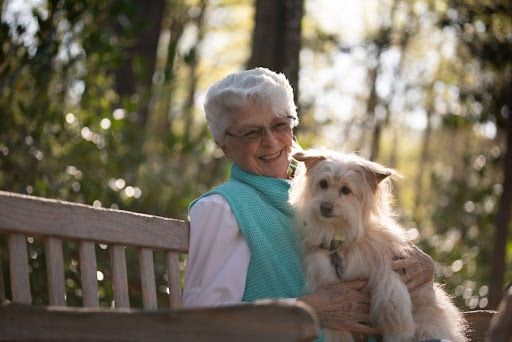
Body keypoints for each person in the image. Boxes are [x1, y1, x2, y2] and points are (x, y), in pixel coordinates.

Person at [183, 67, 434, 336]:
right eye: (251, 133)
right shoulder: (222, 209)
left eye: (280, 125)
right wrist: (306, 309)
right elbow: (202, 321)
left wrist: (421, 266)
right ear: (224, 145)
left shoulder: (318, 190)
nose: (270, 142)